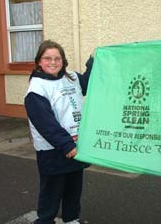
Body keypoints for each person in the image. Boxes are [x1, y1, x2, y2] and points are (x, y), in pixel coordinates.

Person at [25, 40, 93, 224]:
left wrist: (94, 61)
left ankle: (71, 219)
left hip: (77, 146)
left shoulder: (70, 77)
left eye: (57, 58)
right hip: (54, 151)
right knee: (52, 192)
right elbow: (46, 124)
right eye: (47, 58)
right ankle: (45, 220)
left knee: (73, 188)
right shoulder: (37, 89)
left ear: (63, 60)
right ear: (39, 61)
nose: (53, 62)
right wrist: (66, 144)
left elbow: (89, 82)